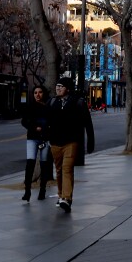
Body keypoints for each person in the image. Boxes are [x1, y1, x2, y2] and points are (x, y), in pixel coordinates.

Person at [46, 77, 95, 213]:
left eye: (61, 86)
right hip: (55, 142)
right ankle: (61, 195)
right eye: (57, 86)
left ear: (67, 88)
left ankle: (67, 199)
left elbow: (88, 123)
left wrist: (90, 141)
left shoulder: (78, 102)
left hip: (71, 142)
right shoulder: (52, 102)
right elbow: (45, 121)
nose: (58, 88)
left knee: (67, 168)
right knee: (59, 170)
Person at [20, 84, 51, 202]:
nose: (38, 95)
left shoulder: (48, 107)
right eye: (35, 93)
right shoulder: (30, 107)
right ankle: (27, 191)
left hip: (45, 139)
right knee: (30, 164)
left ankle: (42, 190)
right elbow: (24, 122)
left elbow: (52, 122)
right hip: (32, 138)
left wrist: (47, 129)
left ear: (44, 93)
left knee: (44, 165)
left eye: (40, 92)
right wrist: (34, 128)